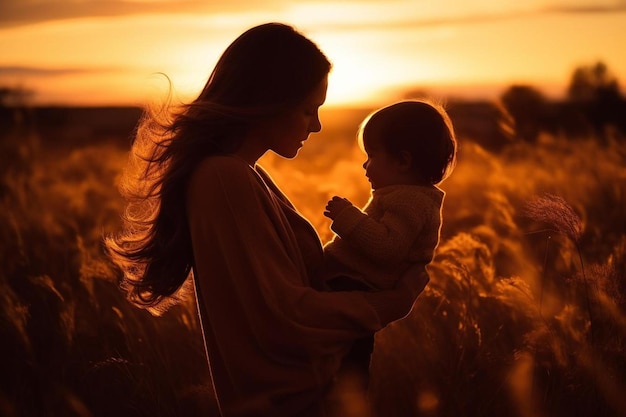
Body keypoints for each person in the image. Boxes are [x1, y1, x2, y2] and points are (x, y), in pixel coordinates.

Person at [105, 23, 428, 417]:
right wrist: (394, 300)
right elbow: (285, 318)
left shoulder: (244, 175)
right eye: (309, 109)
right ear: (270, 101)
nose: (317, 125)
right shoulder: (224, 179)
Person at [321, 100, 457, 384]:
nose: (365, 164)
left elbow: (388, 248)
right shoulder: (403, 194)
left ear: (403, 161)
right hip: (354, 290)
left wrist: (349, 219)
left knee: (345, 374)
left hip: (359, 290)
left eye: (371, 155)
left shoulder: (412, 201)